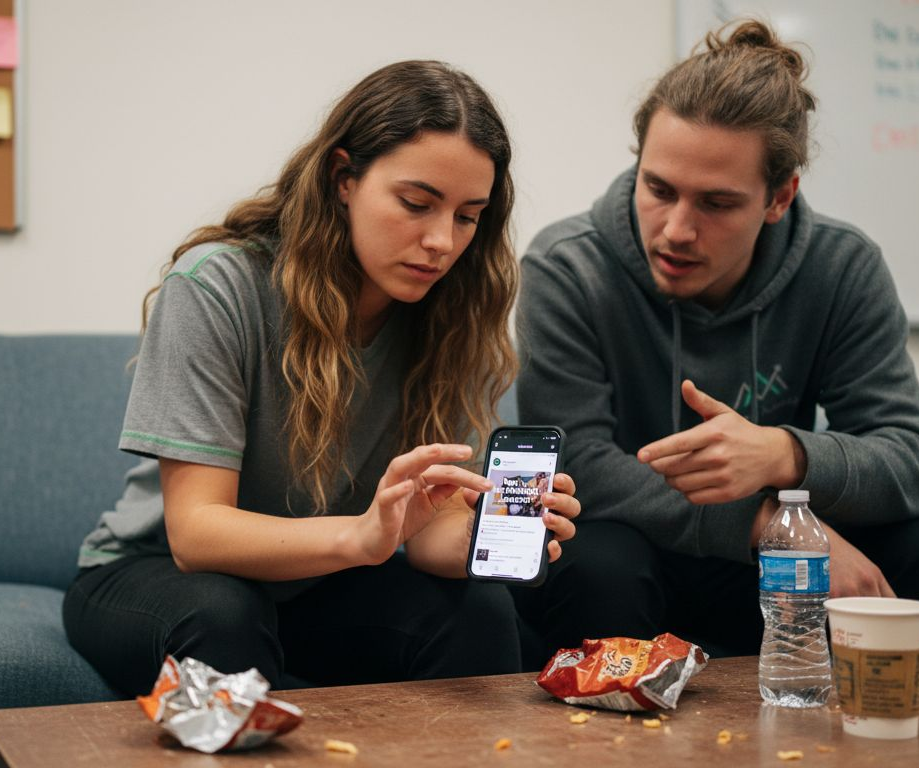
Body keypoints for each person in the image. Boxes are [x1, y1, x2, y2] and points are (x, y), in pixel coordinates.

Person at [64, 60, 581, 696]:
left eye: (468, 216)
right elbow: (196, 536)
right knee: (226, 616)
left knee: (476, 609)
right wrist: (360, 537)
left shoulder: (457, 311)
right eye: (416, 204)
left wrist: (483, 538)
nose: (442, 242)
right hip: (152, 575)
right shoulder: (217, 286)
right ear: (343, 178)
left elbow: (424, 539)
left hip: (318, 582)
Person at [513, 20, 919, 702]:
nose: (677, 228)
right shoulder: (569, 266)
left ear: (780, 197)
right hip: (638, 551)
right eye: (658, 189)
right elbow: (578, 461)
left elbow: (913, 461)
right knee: (599, 562)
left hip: (777, 579)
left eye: (717, 204)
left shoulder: (841, 266)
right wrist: (770, 524)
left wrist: (784, 457)